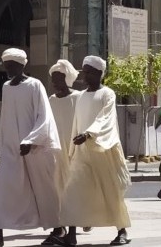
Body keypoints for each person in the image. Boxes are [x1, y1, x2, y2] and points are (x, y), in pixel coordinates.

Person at [0, 48, 62, 247]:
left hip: (35, 148)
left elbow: (43, 116)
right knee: (3, 189)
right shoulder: (6, 87)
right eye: (6, 65)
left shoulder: (35, 85)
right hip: (13, 150)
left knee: (44, 189)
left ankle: (57, 229)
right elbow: (6, 119)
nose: (8, 69)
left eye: (12, 66)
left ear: (22, 65)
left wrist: (31, 140)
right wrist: (4, 146)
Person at [57, 55, 132, 247]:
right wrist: (74, 144)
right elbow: (76, 122)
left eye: (89, 72)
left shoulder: (108, 94)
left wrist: (89, 134)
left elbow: (105, 118)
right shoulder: (81, 96)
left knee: (111, 192)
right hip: (82, 153)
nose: (85, 75)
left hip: (103, 150)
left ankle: (121, 231)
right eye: (84, 71)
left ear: (99, 73)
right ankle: (71, 234)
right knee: (72, 191)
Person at [43, 59, 92, 245]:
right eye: (53, 79)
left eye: (59, 78)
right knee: (58, 190)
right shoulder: (51, 100)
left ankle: (72, 231)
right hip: (57, 152)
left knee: (72, 189)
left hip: (76, 151)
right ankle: (60, 227)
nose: (55, 83)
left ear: (68, 79)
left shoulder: (78, 97)